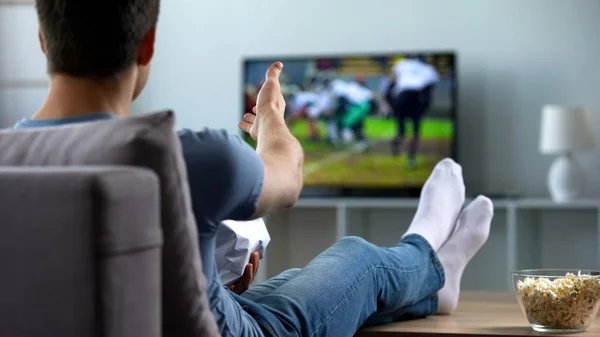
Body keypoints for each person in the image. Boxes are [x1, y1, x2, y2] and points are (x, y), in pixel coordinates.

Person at [13, 1, 493, 337]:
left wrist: (204, 271)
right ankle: (428, 249)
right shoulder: (187, 156)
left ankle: (435, 290)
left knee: (300, 281)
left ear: (42, 41)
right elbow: (289, 176)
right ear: (147, 45)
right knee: (354, 261)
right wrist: (272, 121)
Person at [386, 57, 439, 169]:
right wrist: (424, 108)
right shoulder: (429, 69)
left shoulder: (401, 64)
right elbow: (429, 91)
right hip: (416, 98)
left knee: (401, 130)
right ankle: (411, 158)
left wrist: (391, 103)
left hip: (401, 98)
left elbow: (391, 83)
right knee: (415, 132)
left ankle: (396, 144)